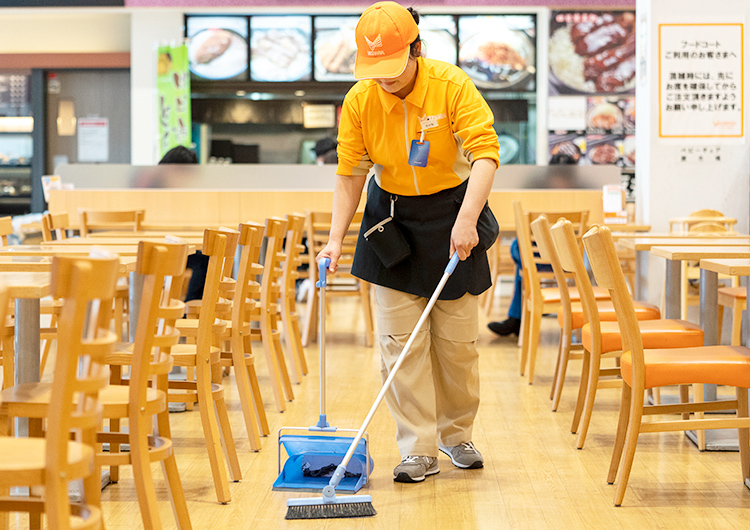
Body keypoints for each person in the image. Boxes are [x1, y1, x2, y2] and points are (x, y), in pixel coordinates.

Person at [316, 1, 499, 484]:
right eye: (374, 71)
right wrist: (335, 239)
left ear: (417, 49)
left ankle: (457, 435)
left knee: (457, 345)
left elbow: (485, 155)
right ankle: (417, 448)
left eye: (392, 68)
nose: (384, 79)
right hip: (390, 221)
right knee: (399, 344)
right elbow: (351, 173)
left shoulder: (452, 85)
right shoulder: (359, 100)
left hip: (452, 216)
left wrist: (467, 220)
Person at [487, 152, 578, 337]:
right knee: (522, 251)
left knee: (521, 252)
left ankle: (519, 317)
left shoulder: (549, 192)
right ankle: (522, 314)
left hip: (564, 259)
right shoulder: (575, 192)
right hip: (565, 259)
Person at [158, 145, 206, 302]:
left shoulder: (159, 188)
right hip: (162, 249)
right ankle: (190, 309)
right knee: (204, 260)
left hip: (163, 248)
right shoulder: (160, 190)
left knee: (203, 258)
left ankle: (189, 308)